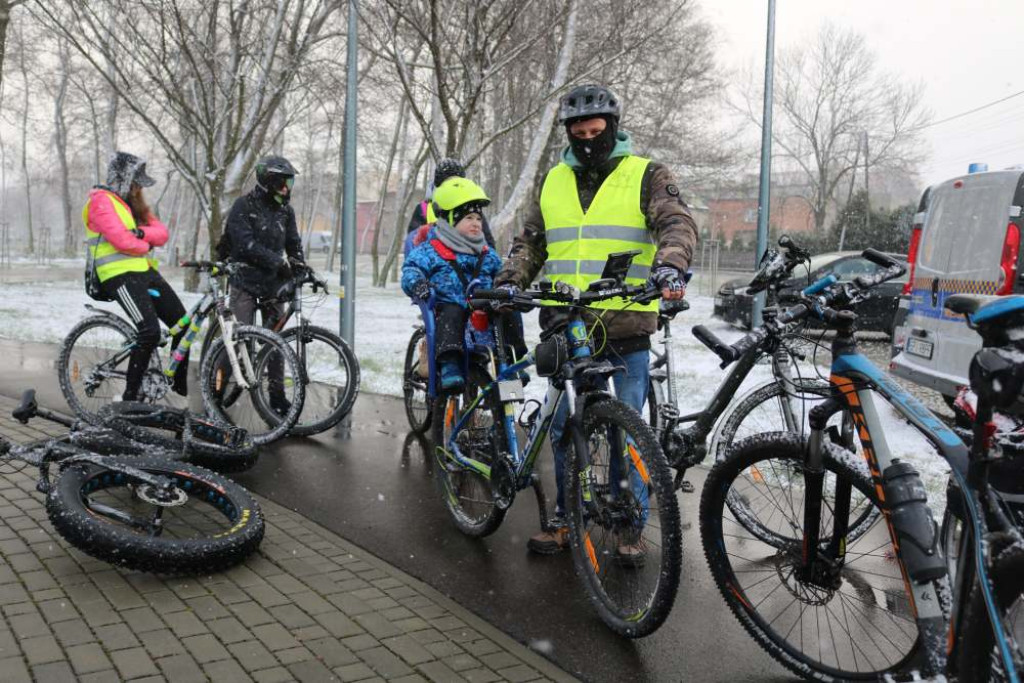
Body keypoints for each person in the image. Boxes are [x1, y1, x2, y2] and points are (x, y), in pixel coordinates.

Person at [494, 83, 697, 557]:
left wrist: (670, 264)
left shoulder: (646, 174)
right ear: (568, 133)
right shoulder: (554, 180)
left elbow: (676, 223)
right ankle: (567, 519)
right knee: (565, 430)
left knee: (628, 434)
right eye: (579, 134)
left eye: (596, 132)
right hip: (566, 324)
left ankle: (630, 528)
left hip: (625, 323)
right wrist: (509, 279)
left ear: (613, 128)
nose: (588, 141)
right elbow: (531, 241)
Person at [84, 151, 189, 402]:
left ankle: (173, 382)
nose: (138, 188)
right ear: (123, 179)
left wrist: (140, 235)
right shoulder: (100, 201)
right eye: (135, 182)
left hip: (145, 272)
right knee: (149, 332)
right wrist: (145, 244)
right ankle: (129, 399)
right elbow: (121, 240)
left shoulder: (134, 206)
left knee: (183, 324)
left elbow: (162, 234)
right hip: (117, 275)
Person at [401, 178, 502, 391]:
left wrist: (508, 287)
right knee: (452, 312)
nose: (476, 223)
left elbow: (502, 275)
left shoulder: (488, 254)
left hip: (482, 307)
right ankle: (449, 364)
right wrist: (418, 283)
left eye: (479, 218)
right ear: (450, 221)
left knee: (507, 312)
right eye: (469, 218)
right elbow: (412, 268)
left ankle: (510, 360)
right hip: (449, 306)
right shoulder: (432, 249)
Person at [223, 154, 305, 413]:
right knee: (237, 339)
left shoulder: (286, 211)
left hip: (272, 284)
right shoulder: (243, 205)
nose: (287, 189)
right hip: (244, 280)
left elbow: (293, 243)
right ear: (268, 181)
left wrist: (300, 266)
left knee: (274, 342)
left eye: (289, 183)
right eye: (283, 183)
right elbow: (244, 244)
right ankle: (216, 389)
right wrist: (277, 262)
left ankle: (277, 397)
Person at [404, 158, 496, 255]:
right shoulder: (424, 209)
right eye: (449, 182)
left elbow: (488, 244)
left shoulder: (472, 209)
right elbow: (412, 245)